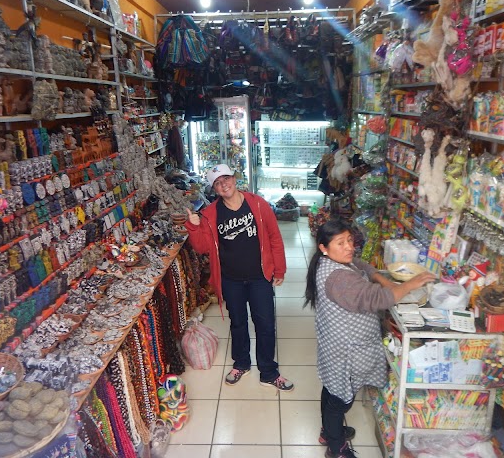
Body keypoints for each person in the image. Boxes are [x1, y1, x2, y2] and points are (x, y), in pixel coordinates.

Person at [304, 220, 435, 458]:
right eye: (340, 243)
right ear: (324, 247)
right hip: (346, 351)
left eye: (350, 241)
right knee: (340, 401)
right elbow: (379, 299)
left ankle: (328, 431)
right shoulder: (339, 279)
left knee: (332, 388)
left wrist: (383, 279)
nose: (349, 247)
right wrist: (410, 285)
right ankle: (336, 447)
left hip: (334, 345)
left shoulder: (329, 262)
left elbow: (360, 264)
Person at [185, 164, 294, 391]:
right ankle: (241, 363)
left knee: (265, 324)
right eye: (217, 182)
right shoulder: (210, 214)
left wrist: (279, 269)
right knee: (238, 324)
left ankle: (268, 371)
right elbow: (203, 247)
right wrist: (194, 227)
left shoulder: (257, 204)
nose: (223, 184)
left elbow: (274, 237)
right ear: (214, 189)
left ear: (234, 179)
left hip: (259, 277)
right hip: (230, 279)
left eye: (226, 178)